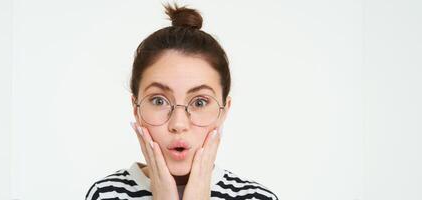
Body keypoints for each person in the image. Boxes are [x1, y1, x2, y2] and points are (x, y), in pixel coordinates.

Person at [86, 3, 278, 200]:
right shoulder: (105, 194)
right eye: (159, 101)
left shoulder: (257, 197)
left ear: (224, 110)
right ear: (136, 109)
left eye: (200, 102)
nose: (178, 124)